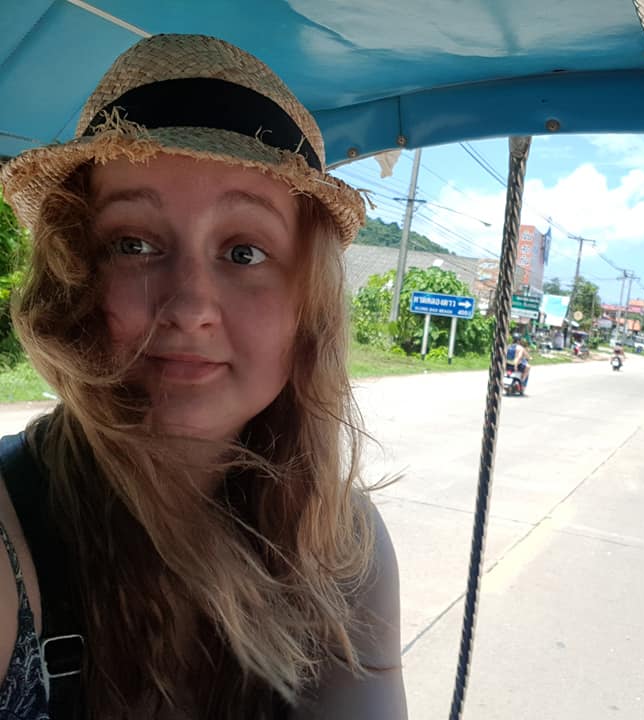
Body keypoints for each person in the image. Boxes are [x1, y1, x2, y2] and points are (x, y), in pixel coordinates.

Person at [0, 34, 406, 718]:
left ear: (306, 308)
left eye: (244, 252)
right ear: (76, 276)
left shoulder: (344, 548)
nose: (189, 308)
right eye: (134, 244)